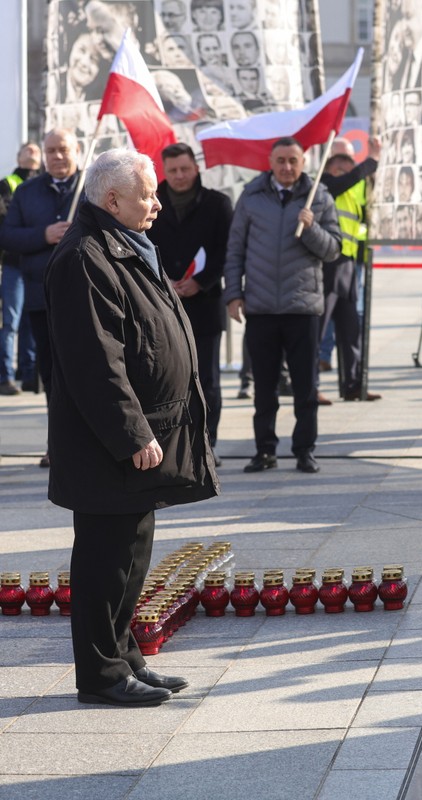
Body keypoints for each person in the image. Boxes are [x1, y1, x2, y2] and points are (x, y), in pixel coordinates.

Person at [44, 148, 218, 707]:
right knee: (105, 559)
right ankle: (100, 675)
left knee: (132, 552)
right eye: (147, 192)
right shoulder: (85, 256)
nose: (157, 201)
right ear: (112, 199)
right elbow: (96, 361)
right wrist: (132, 433)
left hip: (143, 436)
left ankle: (125, 658)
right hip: (108, 445)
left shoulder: (124, 244)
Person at [223, 137, 341, 474]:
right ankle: (265, 450)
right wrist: (233, 294)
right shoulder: (252, 196)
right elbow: (235, 250)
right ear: (270, 162)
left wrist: (312, 227)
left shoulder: (318, 196)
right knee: (264, 388)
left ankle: (305, 450)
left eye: (293, 160)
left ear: (303, 161)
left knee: (306, 387)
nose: (287, 167)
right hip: (260, 308)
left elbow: (333, 249)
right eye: (281, 161)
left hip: (302, 307)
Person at [146, 143, 232, 465]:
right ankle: (172, 442)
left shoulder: (218, 204)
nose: (179, 176)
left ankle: (208, 442)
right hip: (162, 305)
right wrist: (163, 281)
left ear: (196, 168)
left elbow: (227, 252)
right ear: (163, 172)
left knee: (206, 379)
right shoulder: (152, 203)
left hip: (205, 305)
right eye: (172, 171)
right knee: (166, 377)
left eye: (184, 169)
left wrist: (202, 281)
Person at [0, 129, 80, 463]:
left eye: (63, 149)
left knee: (86, 372)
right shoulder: (28, 191)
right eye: (51, 151)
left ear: (76, 150)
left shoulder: (92, 187)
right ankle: (59, 444)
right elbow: (8, 235)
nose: (57, 157)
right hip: (41, 296)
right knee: (51, 375)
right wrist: (43, 234)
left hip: (85, 297)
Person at [320, 136, 382, 402]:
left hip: (349, 265)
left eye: (347, 162)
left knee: (351, 329)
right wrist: (373, 160)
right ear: (328, 165)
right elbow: (343, 181)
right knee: (319, 329)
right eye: (337, 162)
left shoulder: (357, 189)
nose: (342, 167)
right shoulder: (322, 185)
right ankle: (311, 385)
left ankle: (353, 385)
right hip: (326, 264)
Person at [0, 142, 41, 396]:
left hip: (37, 264)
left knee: (32, 320)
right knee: (12, 322)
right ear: (19, 156)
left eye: (36, 151)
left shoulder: (46, 184)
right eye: (28, 150)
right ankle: (5, 377)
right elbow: (6, 222)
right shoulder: (8, 183)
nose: (33, 153)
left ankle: (29, 375)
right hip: (15, 264)